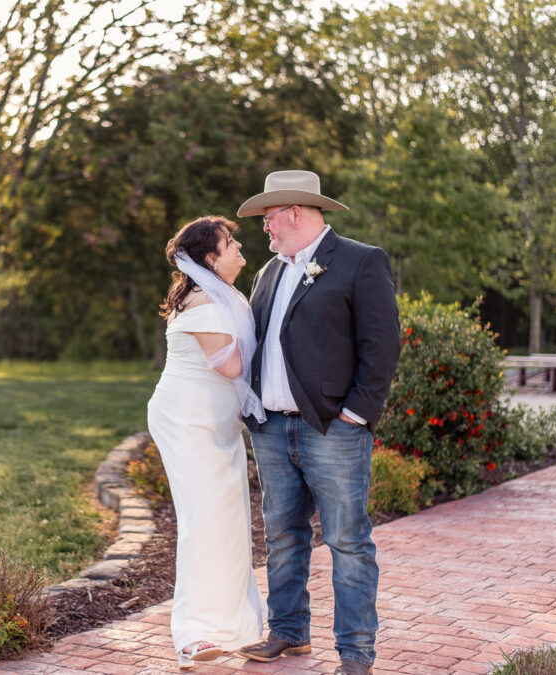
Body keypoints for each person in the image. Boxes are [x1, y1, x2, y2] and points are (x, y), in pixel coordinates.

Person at [234, 170, 401, 675]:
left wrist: (357, 413)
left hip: (333, 428)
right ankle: (288, 631)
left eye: (268, 219)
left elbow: (383, 344)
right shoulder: (270, 273)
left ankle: (355, 654)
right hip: (272, 428)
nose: (265, 229)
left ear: (295, 212)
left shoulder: (359, 261)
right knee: (282, 535)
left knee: (348, 541)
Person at [147, 215, 267, 670]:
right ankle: (191, 634)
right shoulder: (204, 302)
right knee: (203, 521)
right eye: (229, 242)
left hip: (217, 425)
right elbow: (233, 368)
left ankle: (235, 626)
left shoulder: (223, 295)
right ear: (209, 258)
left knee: (230, 520)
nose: (239, 247)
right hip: (187, 421)